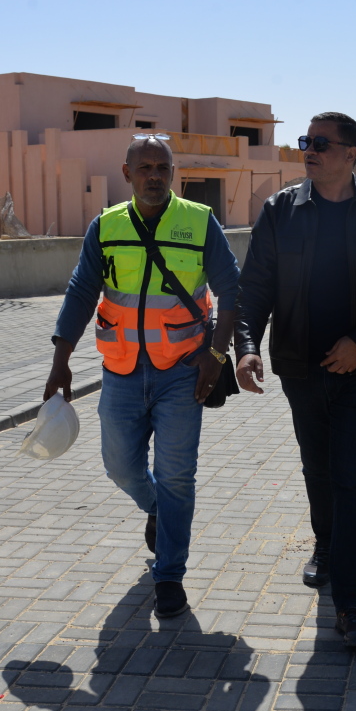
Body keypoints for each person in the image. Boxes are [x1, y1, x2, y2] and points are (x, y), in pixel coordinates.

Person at [235, 112, 356, 649]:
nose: (309, 150)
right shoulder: (280, 211)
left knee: (352, 481)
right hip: (300, 368)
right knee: (318, 470)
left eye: (320, 142)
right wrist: (247, 348)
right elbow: (255, 287)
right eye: (305, 141)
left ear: (350, 153)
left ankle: (351, 605)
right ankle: (325, 542)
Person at [45, 134, 239, 621]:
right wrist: (60, 359)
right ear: (127, 173)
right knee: (119, 467)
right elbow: (81, 291)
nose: (154, 176)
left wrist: (217, 354)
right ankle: (157, 509)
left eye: (163, 168)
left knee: (177, 475)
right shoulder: (106, 226)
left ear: (173, 174)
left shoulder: (200, 221)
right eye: (145, 167)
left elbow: (233, 290)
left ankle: (169, 575)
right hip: (122, 371)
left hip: (183, 372)